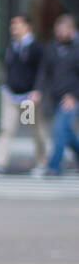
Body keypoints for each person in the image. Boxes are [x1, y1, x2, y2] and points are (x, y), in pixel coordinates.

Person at [0, 15, 47, 175]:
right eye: (12, 25)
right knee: (6, 129)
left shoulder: (35, 47)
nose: (14, 28)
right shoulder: (12, 46)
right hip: (12, 95)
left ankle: (42, 162)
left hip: (29, 97)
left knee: (35, 129)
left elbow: (42, 71)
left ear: (27, 27)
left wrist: (37, 90)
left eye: (17, 25)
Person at [36, 13, 79, 177]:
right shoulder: (52, 48)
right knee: (67, 131)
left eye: (63, 30)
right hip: (55, 97)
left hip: (71, 98)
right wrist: (38, 90)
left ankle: (54, 165)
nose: (60, 33)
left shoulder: (77, 48)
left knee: (59, 129)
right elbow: (44, 71)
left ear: (71, 30)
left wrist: (74, 95)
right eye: (58, 30)